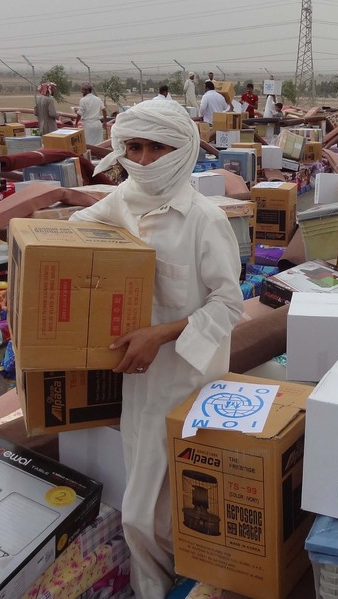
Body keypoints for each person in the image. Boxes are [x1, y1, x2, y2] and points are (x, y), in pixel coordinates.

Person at [71, 100, 244, 598]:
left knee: (161, 511)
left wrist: (160, 332)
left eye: (157, 147)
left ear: (183, 150)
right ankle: (159, 589)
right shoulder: (124, 197)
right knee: (146, 509)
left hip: (188, 380)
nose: (145, 160)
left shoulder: (204, 220)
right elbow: (77, 229)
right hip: (137, 376)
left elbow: (229, 305)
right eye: (135, 147)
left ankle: (182, 584)